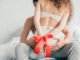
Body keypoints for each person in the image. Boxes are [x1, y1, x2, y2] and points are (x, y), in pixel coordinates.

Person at [15, 0, 80, 60]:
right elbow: (22, 39)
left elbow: (66, 32)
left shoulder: (57, 20)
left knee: (76, 45)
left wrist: (63, 42)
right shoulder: (31, 19)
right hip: (39, 50)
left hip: (56, 49)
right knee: (20, 47)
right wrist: (35, 42)